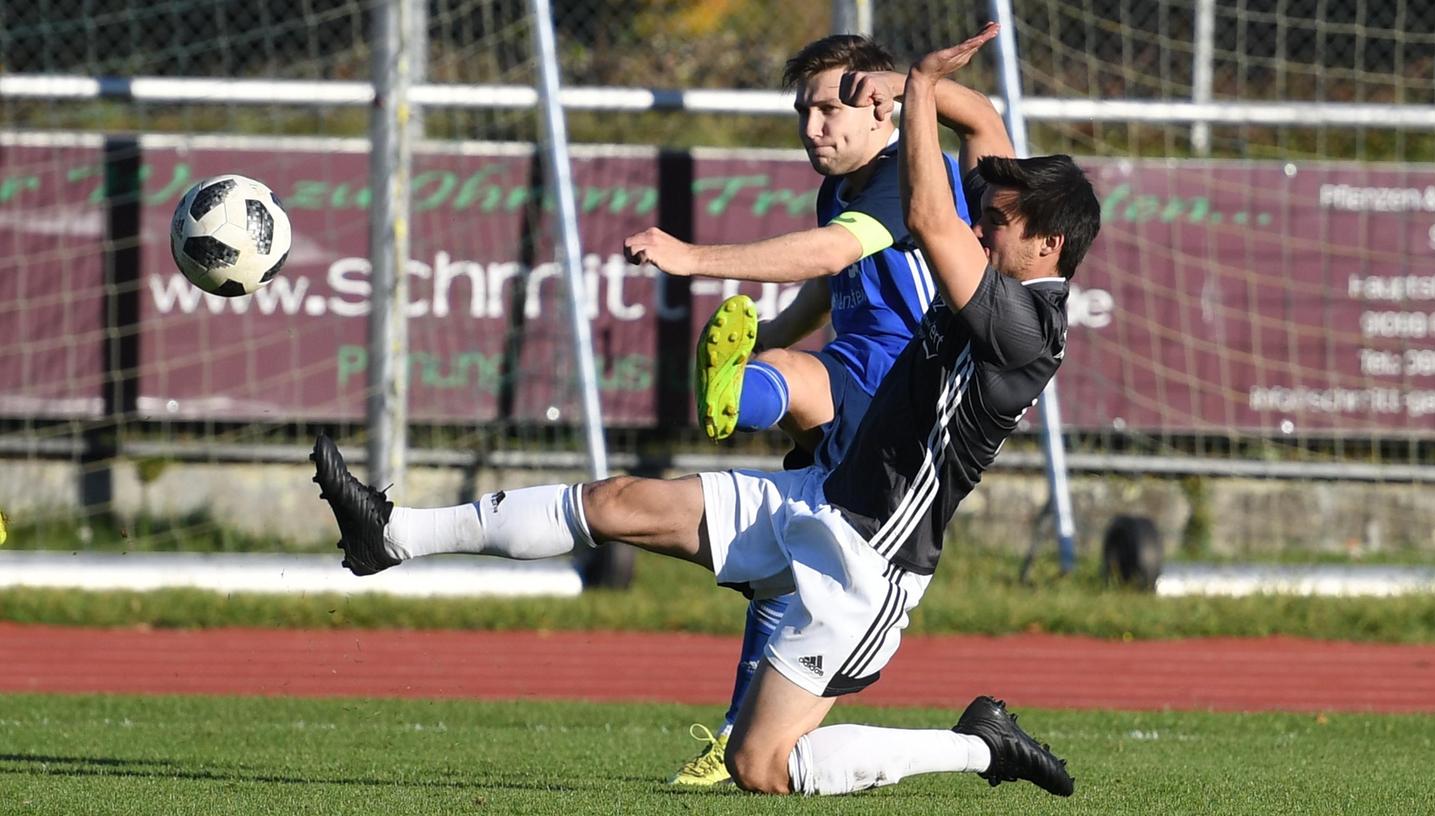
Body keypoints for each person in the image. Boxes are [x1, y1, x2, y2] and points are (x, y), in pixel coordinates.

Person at [313, 24, 1100, 798]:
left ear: (1047, 246)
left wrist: (919, 88)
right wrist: (913, 89)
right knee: (615, 502)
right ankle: (393, 534)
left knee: (761, 767)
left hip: (871, 554)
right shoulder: (999, 272)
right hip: (823, 495)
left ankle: (978, 748)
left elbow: (931, 220)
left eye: (995, 222)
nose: (979, 225)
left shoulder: (1020, 325)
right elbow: (988, 135)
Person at [624, 32, 976, 784]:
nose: (811, 127)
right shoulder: (844, 183)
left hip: (902, 388)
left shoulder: (903, 175)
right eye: (801, 111)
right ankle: (733, 730)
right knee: (787, 560)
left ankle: (739, 394)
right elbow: (830, 283)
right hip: (860, 372)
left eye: (827, 109)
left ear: (881, 108)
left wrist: (692, 259)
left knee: (787, 387)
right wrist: (775, 332)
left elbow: (825, 255)